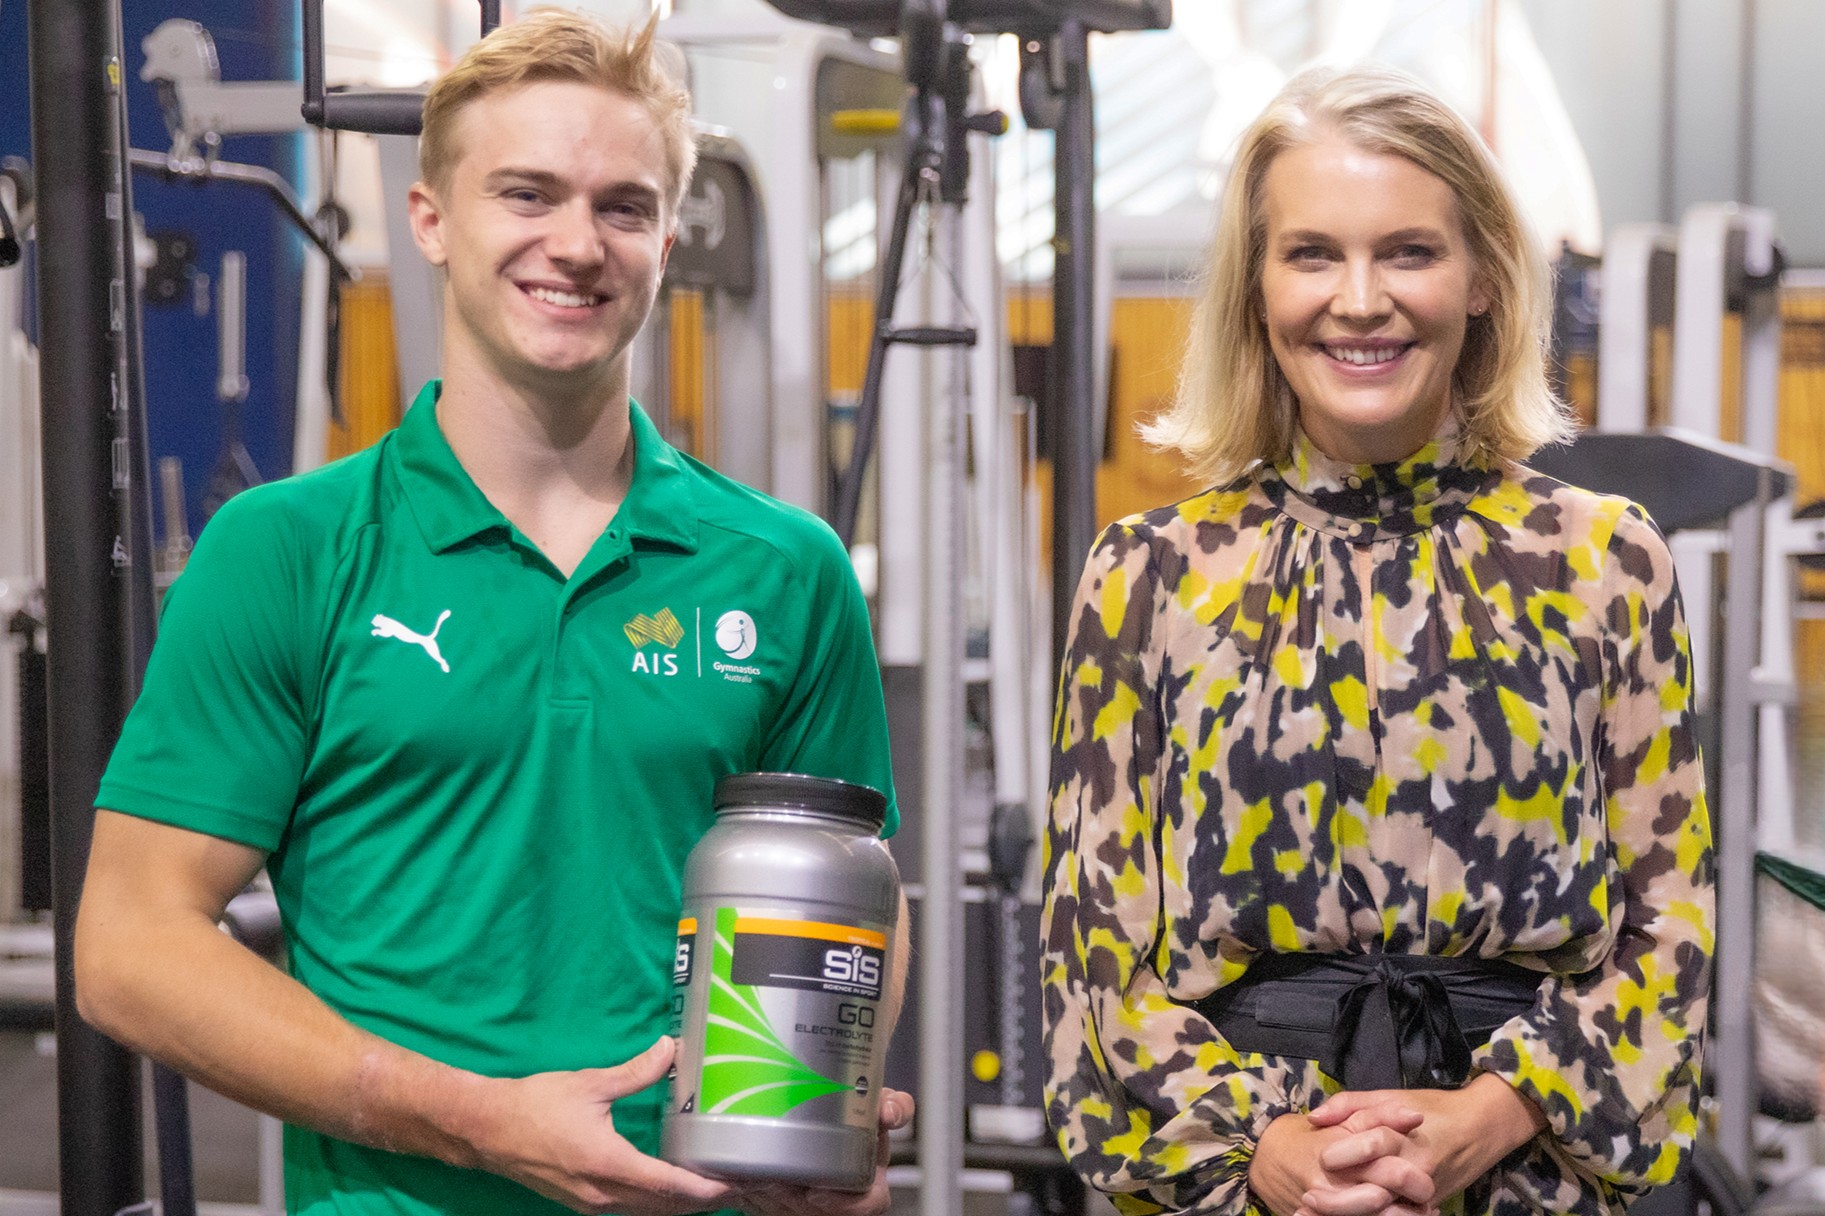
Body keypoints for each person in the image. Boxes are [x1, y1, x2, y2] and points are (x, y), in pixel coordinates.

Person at [75, 10, 909, 1214]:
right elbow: (129, 948)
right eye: (527, 195)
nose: (577, 243)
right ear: (432, 220)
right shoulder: (287, 551)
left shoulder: (786, 569)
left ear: (667, 239)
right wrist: (477, 1124)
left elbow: (852, 903)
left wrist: (825, 1107)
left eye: (622, 207)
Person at [1040, 64, 1712, 1216]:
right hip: (1241, 1175)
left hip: (1519, 1172)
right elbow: (1092, 958)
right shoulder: (1148, 575)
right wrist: (1267, 1144)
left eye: (1407, 251)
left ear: (1484, 279)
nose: (1359, 299)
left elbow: (1670, 936)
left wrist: (1489, 1116)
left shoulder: (1605, 561)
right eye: (1311, 254)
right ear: (1256, 292)